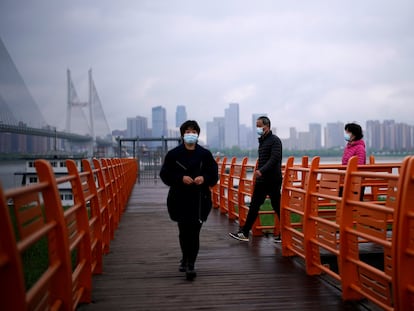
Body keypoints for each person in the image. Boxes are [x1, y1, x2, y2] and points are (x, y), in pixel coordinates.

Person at [159, 120, 218, 281]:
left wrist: (203, 178)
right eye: (187, 131)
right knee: (183, 232)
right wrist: (180, 178)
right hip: (179, 198)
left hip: (199, 199)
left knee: (194, 232)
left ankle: (191, 265)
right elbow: (164, 174)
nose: (190, 134)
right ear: (182, 134)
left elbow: (214, 175)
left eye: (193, 131)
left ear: (197, 134)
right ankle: (185, 258)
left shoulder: (205, 155)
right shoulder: (173, 154)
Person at [229, 116, 283, 242]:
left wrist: (261, 170)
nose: (257, 128)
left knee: (277, 207)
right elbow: (264, 159)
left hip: (273, 180)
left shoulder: (275, 140)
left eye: (259, 126)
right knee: (254, 205)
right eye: (256, 126)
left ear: (267, 126)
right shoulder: (263, 141)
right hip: (262, 180)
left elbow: (274, 158)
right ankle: (245, 233)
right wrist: (260, 172)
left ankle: (285, 234)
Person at [340, 122, 367, 200]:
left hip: (355, 181)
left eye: (348, 132)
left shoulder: (360, 148)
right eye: (346, 132)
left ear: (354, 134)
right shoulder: (348, 147)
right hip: (345, 178)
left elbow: (359, 165)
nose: (346, 134)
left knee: (353, 203)